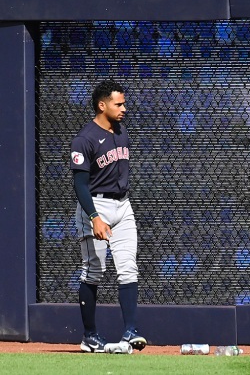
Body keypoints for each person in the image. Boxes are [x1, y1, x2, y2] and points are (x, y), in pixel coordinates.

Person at [70, 80, 146, 353]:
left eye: (123, 103)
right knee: (94, 270)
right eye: (119, 103)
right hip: (96, 206)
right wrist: (94, 217)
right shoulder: (84, 139)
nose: (124, 108)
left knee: (128, 267)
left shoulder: (121, 132)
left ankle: (130, 330)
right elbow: (80, 185)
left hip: (123, 206)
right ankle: (89, 336)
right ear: (102, 105)